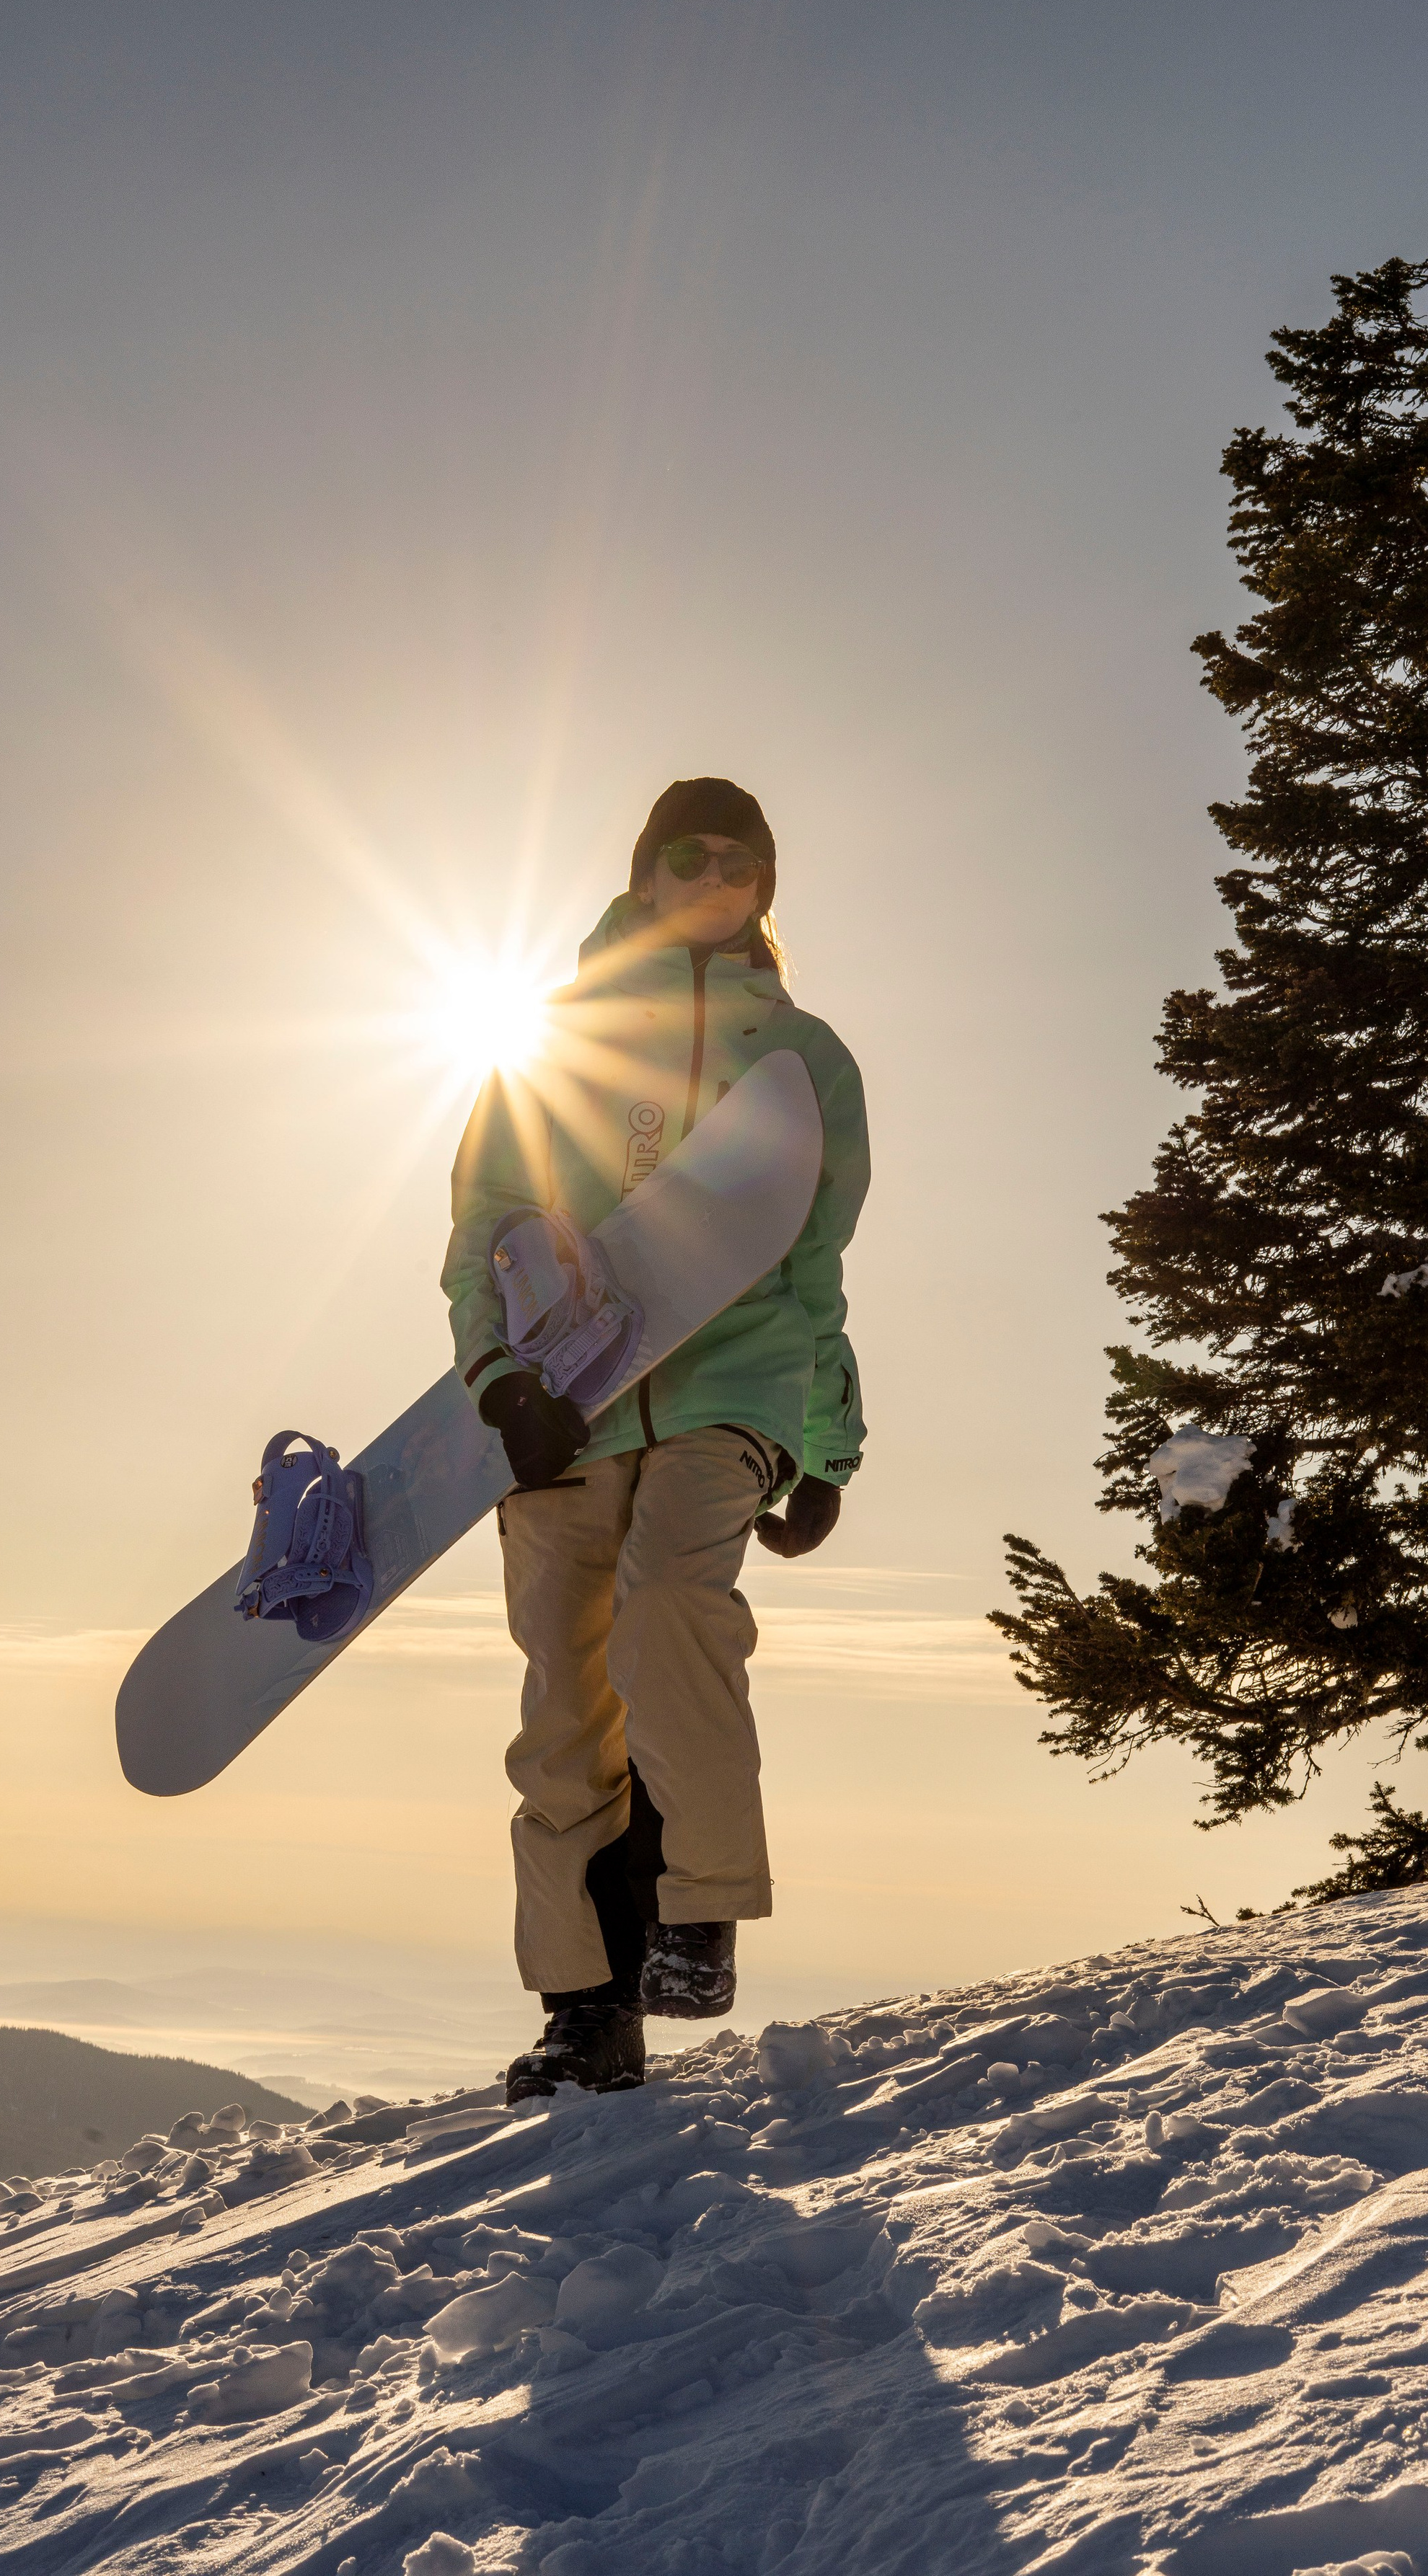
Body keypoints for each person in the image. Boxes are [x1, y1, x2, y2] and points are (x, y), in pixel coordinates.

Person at [442, 778, 870, 2097]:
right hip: (561, 1402)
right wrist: (495, 1382)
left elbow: (814, 1266)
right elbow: (484, 1227)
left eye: (744, 862)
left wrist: (827, 1444)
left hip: (730, 1387)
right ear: (644, 870)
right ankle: (586, 2009)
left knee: (671, 1602)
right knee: (567, 1709)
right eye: (691, 854)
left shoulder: (803, 1059)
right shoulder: (549, 1041)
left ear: (766, 888)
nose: (716, 877)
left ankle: (701, 1905)